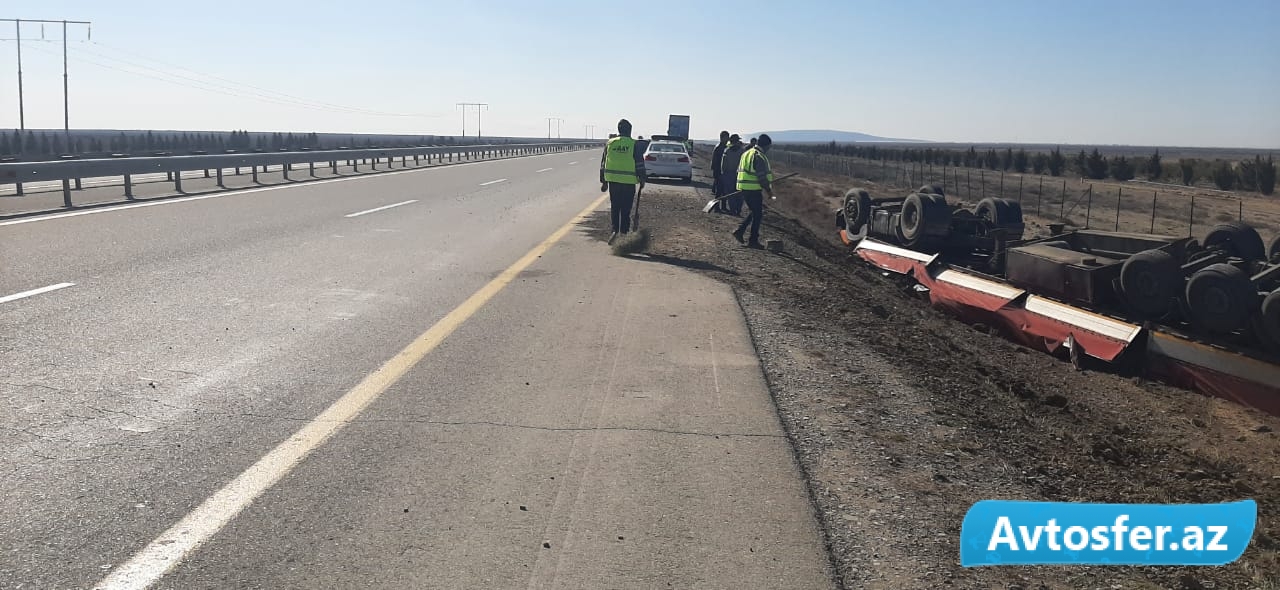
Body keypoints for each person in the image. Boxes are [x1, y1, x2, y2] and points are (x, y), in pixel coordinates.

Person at [599, 119, 646, 244]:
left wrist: (603, 181)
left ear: (619, 130)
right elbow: (639, 163)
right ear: (630, 131)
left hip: (613, 181)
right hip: (628, 182)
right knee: (626, 209)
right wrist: (642, 179)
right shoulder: (634, 144)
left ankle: (615, 230)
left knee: (615, 207)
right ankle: (624, 233)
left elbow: (603, 163)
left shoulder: (610, 143)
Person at [732, 134, 775, 248]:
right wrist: (769, 191)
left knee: (755, 212)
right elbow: (761, 177)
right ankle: (753, 240)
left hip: (744, 188)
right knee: (758, 214)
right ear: (766, 146)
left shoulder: (747, 153)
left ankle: (740, 231)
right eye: (769, 147)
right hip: (753, 189)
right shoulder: (758, 156)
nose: (769, 149)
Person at [719, 134, 747, 215]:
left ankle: (733, 209)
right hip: (740, 174)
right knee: (739, 193)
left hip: (729, 174)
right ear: (737, 141)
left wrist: (723, 174)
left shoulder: (727, 151)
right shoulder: (742, 152)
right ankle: (738, 209)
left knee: (730, 193)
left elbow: (723, 165)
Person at [710, 131, 730, 201]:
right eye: (727, 137)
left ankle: (723, 205)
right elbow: (715, 161)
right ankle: (716, 205)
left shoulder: (724, 147)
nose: (728, 139)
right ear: (722, 137)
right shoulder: (719, 147)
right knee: (719, 191)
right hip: (719, 172)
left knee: (724, 192)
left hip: (722, 172)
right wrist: (717, 173)